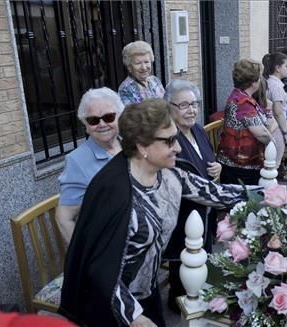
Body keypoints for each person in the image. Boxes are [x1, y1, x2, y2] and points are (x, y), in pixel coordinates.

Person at [59, 99, 260, 327]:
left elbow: (216, 193)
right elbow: (101, 271)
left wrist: (270, 193)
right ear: (142, 146)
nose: (179, 147)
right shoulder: (114, 194)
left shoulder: (169, 173)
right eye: (170, 141)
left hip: (147, 292)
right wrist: (135, 317)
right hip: (110, 306)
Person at [162, 80, 222, 310]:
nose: (192, 109)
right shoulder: (169, 137)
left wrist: (218, 168)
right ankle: (180, 307)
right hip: (181, 213)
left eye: (194, 104)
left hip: (203, 207)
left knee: (201, 259)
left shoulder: (197, 129)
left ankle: (198, 296)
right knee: (182, 268)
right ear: (169, 107)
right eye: (184, 104)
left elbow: (208, 159)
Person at [56, 87, 124, 243]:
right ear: (86, 125)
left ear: (120, 116)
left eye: (108, 117)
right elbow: (64, 217)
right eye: (93, 120)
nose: (101, 124)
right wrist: (83, 257)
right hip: (109, 244)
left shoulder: (128, 145)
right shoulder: (77, 161)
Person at [217, 59, 272, 185]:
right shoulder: (243, 103)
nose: (261, 80)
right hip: (240, 168)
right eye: (259, 77)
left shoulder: (240, 96)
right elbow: (262, 134)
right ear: (253, 82)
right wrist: (273, 141)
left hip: (237, 164)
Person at [263, 52, 287, 167]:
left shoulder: (269, 82)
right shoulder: (277, 86)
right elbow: (278, 111)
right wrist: (285, 132)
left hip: (269, 127)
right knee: (273, 166)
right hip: (277, 129)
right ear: (278, 68)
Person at [118, 41, 165, 105]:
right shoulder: (125, 89)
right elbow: (131, 114)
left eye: (146, 62)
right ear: (129, 67)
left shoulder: (155, 81)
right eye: (138, 63)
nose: (144, 67)